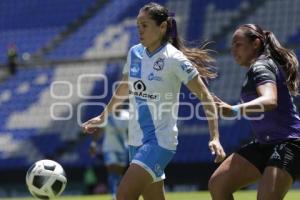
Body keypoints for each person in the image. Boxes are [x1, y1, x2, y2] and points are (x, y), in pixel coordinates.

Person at [82, 2, 225, 200]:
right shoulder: (135, 53)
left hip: (160, 142)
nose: (139, 30)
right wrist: (102, 117)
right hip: (136, 141)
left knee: (122, 195)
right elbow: (125, 87)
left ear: (163, 27)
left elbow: (206, 97)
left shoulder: (175, 59)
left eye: (145, 25)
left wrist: (215, 137)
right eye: (138, 25)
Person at [208, 24, 300, 200]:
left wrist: (234, 110)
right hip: (265, 144)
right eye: (232, 45)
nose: (233, 49)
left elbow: (270, 100)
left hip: (289, 143)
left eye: (238, 44)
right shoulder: (257, 68)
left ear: (256, 43)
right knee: (219, 184)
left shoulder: (261, 66)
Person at [89, 108, 129, 199]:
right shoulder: (108, 116)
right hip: (109, 148)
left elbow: (130, 131)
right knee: (112, 169)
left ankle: (118, 192)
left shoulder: (127, 116)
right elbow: (99, 130)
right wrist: (93, 144)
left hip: (122, 148)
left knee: (119, 173)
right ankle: (113, 194)